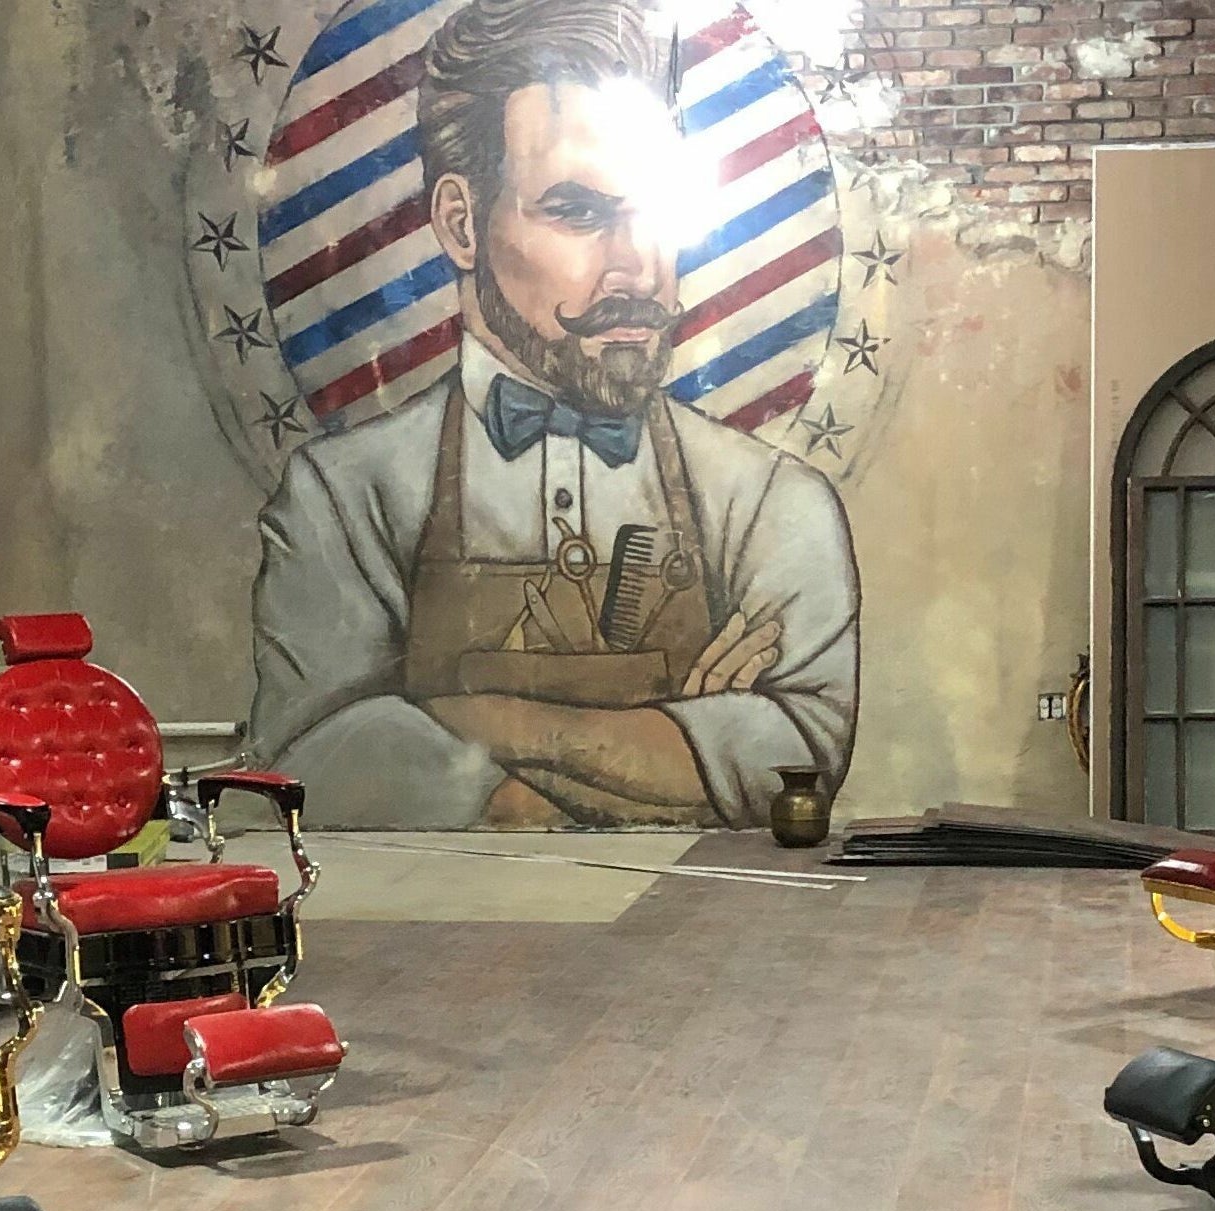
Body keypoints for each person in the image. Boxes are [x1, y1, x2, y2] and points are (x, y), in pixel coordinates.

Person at [248, 0, 860, 829]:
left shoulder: (772, 503)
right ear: (460, 224)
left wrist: (475, 721)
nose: (638, 269)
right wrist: (672, 742)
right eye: (579, 212)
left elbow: (797, 756)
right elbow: (314, 759)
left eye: (659, 209)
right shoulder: (343, 497)